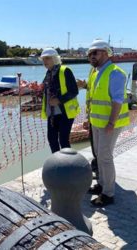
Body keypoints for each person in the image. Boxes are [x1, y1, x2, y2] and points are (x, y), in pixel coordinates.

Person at [85, 39, 130, 207]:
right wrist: (88, 119)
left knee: (105, 156)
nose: (91, 56)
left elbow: (118, 100)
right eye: (89, 54)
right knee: (99, 155)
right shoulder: (96, 72)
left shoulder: (115, 73)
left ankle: (108, 193)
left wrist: (111, 123)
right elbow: (93, 98)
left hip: (109, 124)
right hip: (97, 122)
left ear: (105, 53)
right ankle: (102, 184)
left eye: (94, 53)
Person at [40, 48, 80, 153]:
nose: (45, 61)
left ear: (55, 59)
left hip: (65, 112)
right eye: (43, 59)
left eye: (47, 58)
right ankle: (57, 163)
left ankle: (67, 164)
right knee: (52, 139)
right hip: (52, 114)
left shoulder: (65, 71)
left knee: (63, 140)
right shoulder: (48, 74)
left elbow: (74, 91)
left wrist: (59, 100)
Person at [77, 67, 99, 179]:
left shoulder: (105, 72)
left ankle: (102, 178)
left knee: (100, 152)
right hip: (93, 117)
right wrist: (84, 85)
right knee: (95, 149)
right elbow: (92, 91)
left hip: (102, 120)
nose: (92, 56)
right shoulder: (92, 70)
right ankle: (97, 171)